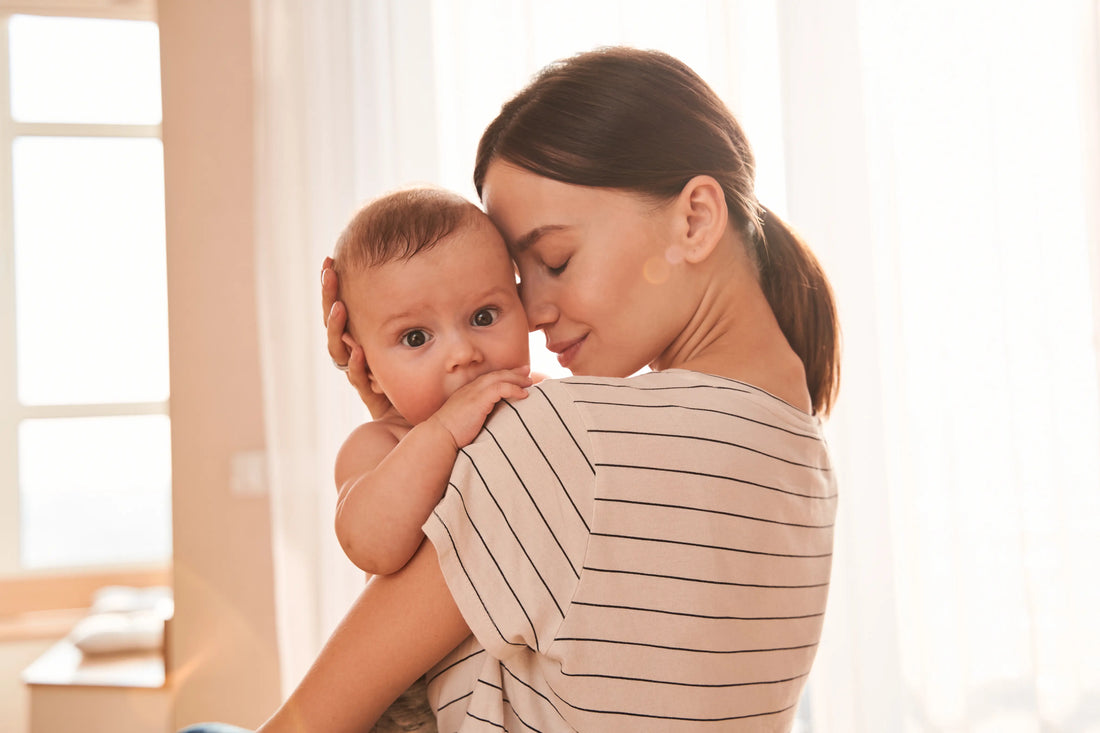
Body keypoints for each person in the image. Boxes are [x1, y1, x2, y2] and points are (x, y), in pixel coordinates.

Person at [183, 45, 840, 733]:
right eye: (521, 283)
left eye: (556, 260)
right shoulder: (805, 454)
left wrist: (440, 438)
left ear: (696, 219)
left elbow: (307, 724)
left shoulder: (565, 436)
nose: (535, 312)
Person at [326, 186, 532, 577]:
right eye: (416, 337)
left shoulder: (537, 397)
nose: (463, 353)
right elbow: (370, 547)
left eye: (484, 317)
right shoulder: (382, 445)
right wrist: (441, 432)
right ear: (366, 367)